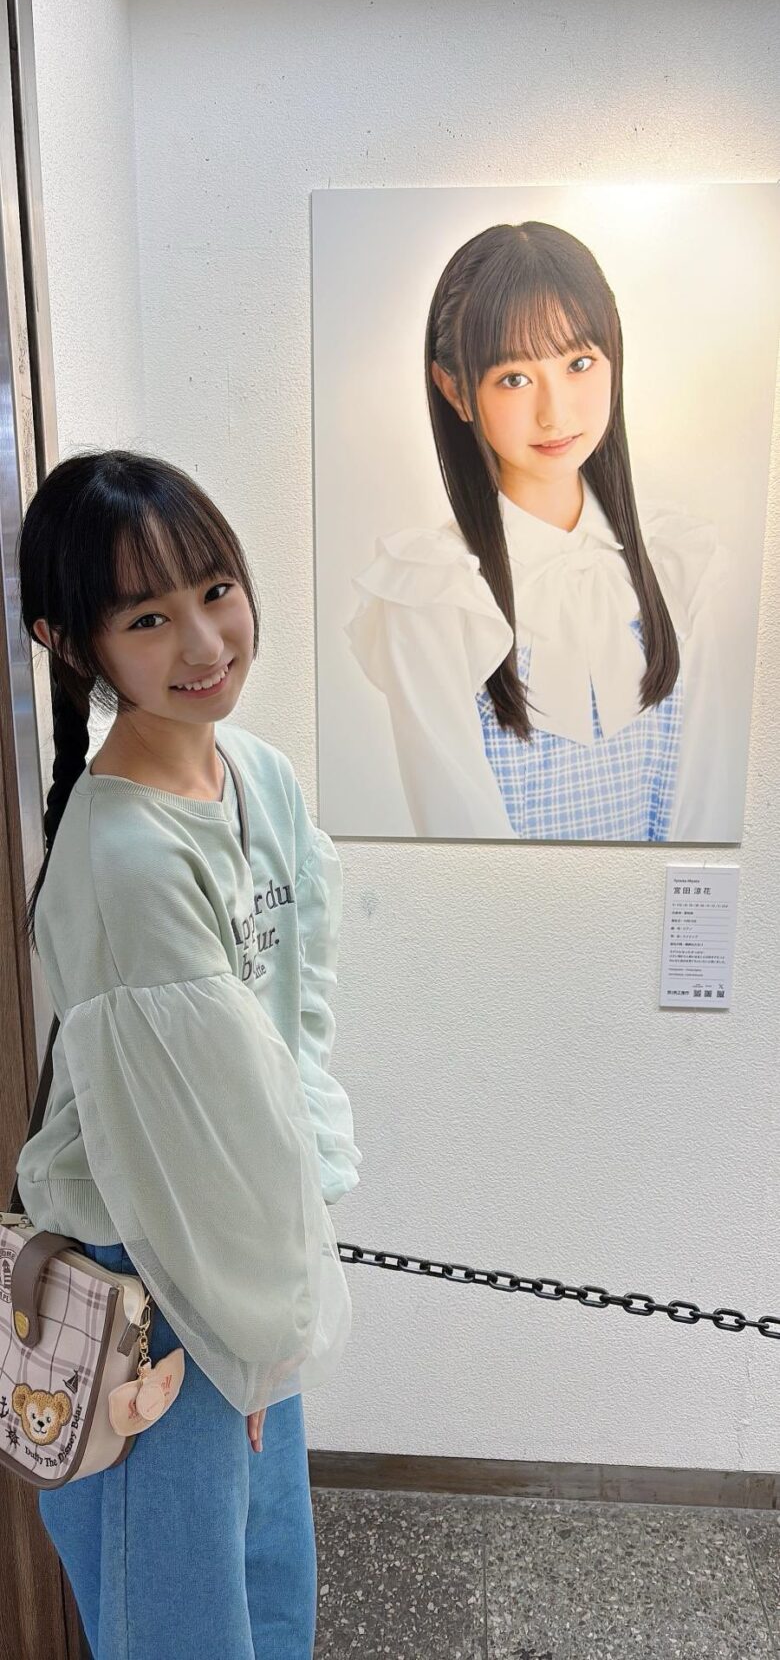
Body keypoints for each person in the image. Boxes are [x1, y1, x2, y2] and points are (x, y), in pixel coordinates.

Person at [13, 449, 362, 1658]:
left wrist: (285, 1259)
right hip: (155, 1270)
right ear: (72, 643)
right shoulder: (123, 856)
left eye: (215, 590)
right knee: (181, 1617)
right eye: (148, 618)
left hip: (246, 1246)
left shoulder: (254, 772)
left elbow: (296, 1007)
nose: (206, 641)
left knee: (264, 1585)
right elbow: (195, 1135)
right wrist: (251, 1324)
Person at [345, 220, 743, 842]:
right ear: (456, 390)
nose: (555, 412)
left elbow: (707, 820)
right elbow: (465, 842)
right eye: (515, 378)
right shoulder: (433, 596)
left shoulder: (679, 561)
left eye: (579, 363)